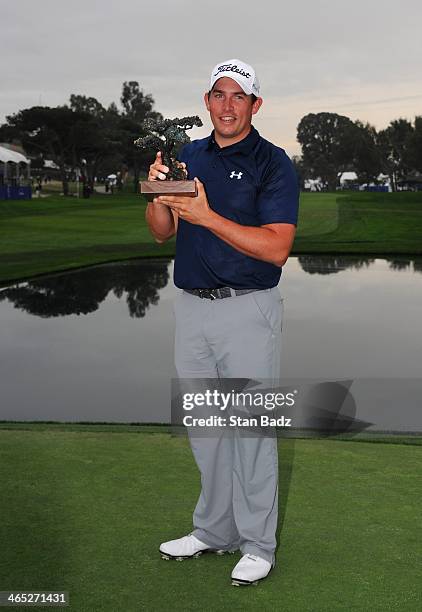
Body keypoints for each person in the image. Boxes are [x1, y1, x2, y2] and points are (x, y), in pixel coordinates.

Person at [145, 59, 299, 586]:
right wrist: (157, 191)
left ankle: (258, 544)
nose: (227, 105)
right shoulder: (190, 154)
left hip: (249, 308)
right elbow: (161, 231)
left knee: (252, 432)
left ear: (256, 105)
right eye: (218, 95)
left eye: (239, 96)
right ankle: (215, 530)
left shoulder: (272, 162)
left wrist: (207, 215)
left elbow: (277, 248)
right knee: (206, 430)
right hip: (191, 307)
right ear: (206, 102)